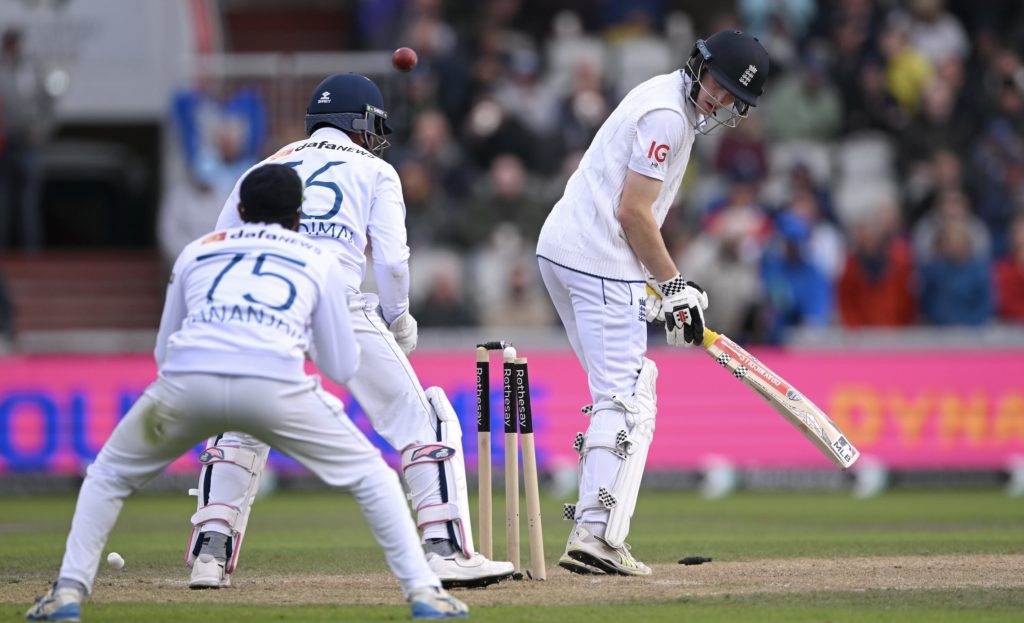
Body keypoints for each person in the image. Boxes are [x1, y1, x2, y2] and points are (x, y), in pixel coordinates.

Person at [25, 165, 468, 621]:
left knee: (106, 476)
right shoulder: (316, 260)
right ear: (298, 216)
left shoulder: (195, 253)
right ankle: (424, 594)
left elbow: (164, 351)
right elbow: (339, 365)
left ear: (239, 210)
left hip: (187, 382)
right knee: (373, 477)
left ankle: (69, 592)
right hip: (274, 384)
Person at [184, 73, 513, 590]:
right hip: (334, 299)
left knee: (242, 423)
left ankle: (210, 552)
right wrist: (398, 316)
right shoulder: (376, 170)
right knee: (421, 419)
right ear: (359, 123)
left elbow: (218, 243)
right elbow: (394, 261)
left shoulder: (265, 165)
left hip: (264, 305)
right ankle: (445, 549)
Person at [535, 30, 769, 576]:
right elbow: (632, 213)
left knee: (626, 388)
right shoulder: (666, 113)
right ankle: (595, 535)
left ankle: (596, 531)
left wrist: (658, 293)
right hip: (596, 257)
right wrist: (674, 286)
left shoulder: (664, 100)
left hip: (573, 253)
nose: (721, 100)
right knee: (626, 398)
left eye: (734, 96)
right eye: (719, 85)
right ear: (698, 65)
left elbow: (626, 211)